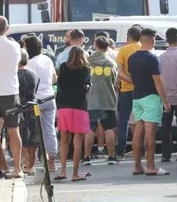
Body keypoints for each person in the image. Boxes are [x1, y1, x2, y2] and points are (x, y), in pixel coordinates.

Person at [129, 28, 171, 176]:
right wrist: (165, 101)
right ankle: (151, 166)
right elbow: (158, 81)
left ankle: (137, 166)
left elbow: (131, 77)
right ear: (152, 41)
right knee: (150, 134)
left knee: (138, 131)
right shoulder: (152, 58)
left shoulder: (132, 58)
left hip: (137, 97)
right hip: (151, 97)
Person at [0, 16, 25, 178]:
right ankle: (17, 169)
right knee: (13, 131)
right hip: (10, 91)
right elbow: (17, 65)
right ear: (7, 28)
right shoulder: (14, 46)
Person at [56, 47, 92, 182]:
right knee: (78, 141)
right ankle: (75, 173)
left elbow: (60, 85)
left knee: (64, 141)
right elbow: (87, 86)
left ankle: (63, 170)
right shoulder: (86, 69)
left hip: (64, 106)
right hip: (79, 107)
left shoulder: (63, 67)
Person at [24, 35, 58, 171]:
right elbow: (54, 78)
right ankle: (51, 162)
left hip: (36, 101)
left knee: (33, 132)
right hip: (49, 98)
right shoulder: (47, 59)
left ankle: (31, 163)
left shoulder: (29, 62)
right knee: (49, 130)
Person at [85, 36, 119, 165]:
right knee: (109, 128)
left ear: (95, 45)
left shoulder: (87, 61)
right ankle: (111, 156)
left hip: (91, 100)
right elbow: (115, 81)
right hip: (107, 98)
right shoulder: (111, 63)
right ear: (108, 47)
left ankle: (87, 157)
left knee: (90, 129)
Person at [159, 28, 177, 163]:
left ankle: (166, 154)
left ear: (166, 39)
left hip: (166, 96)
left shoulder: (161, 57)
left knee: (166, 126)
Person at [115, 26, 142, 159]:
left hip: (126, 90)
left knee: (124, 120)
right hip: (142, 90)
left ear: (129, 36)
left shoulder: (123, 50)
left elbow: (119, 72)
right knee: (141, 120)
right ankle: (140, 148)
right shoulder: (144, 48)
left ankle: (121, 149)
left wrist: (130, 80)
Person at [17, 49, 39, 175]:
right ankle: (31, 165)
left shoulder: (14, 74)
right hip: (33, 107)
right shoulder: (33, 74)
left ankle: (22, 162)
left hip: (19, 108)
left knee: (19, 136)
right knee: (33, 138)